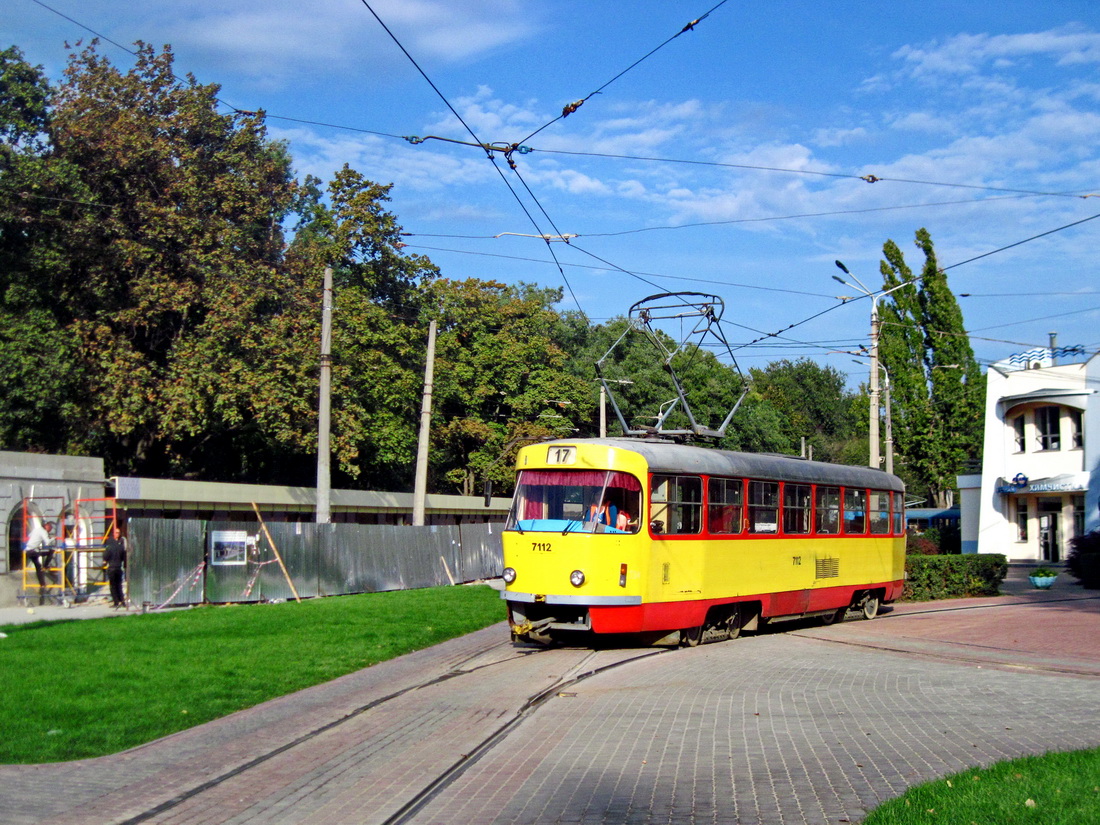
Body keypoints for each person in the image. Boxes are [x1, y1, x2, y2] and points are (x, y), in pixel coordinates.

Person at [24, 520, 55, 605]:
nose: (50, 530)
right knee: (51, 551)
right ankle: (45, 565)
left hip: (28, 550)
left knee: (38, 566)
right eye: (50, 528)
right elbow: (47, 542)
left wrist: (35, 544)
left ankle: (42, 584)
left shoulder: (36, 529)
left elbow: (29, 536)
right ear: (46, 526)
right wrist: (54, 538)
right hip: (33, 551)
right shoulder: (43, 531)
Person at [103, 526, 127, 609]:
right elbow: (124, 556)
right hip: (118, 568)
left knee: (113, 586)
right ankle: (122, 602)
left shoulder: (110, 546)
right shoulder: (121, 546)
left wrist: (105, 561)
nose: (118, 534)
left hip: (112, 568)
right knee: (119, 585)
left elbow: (105, 556)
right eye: (116, 532)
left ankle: (116, 602)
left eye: (118, 533)